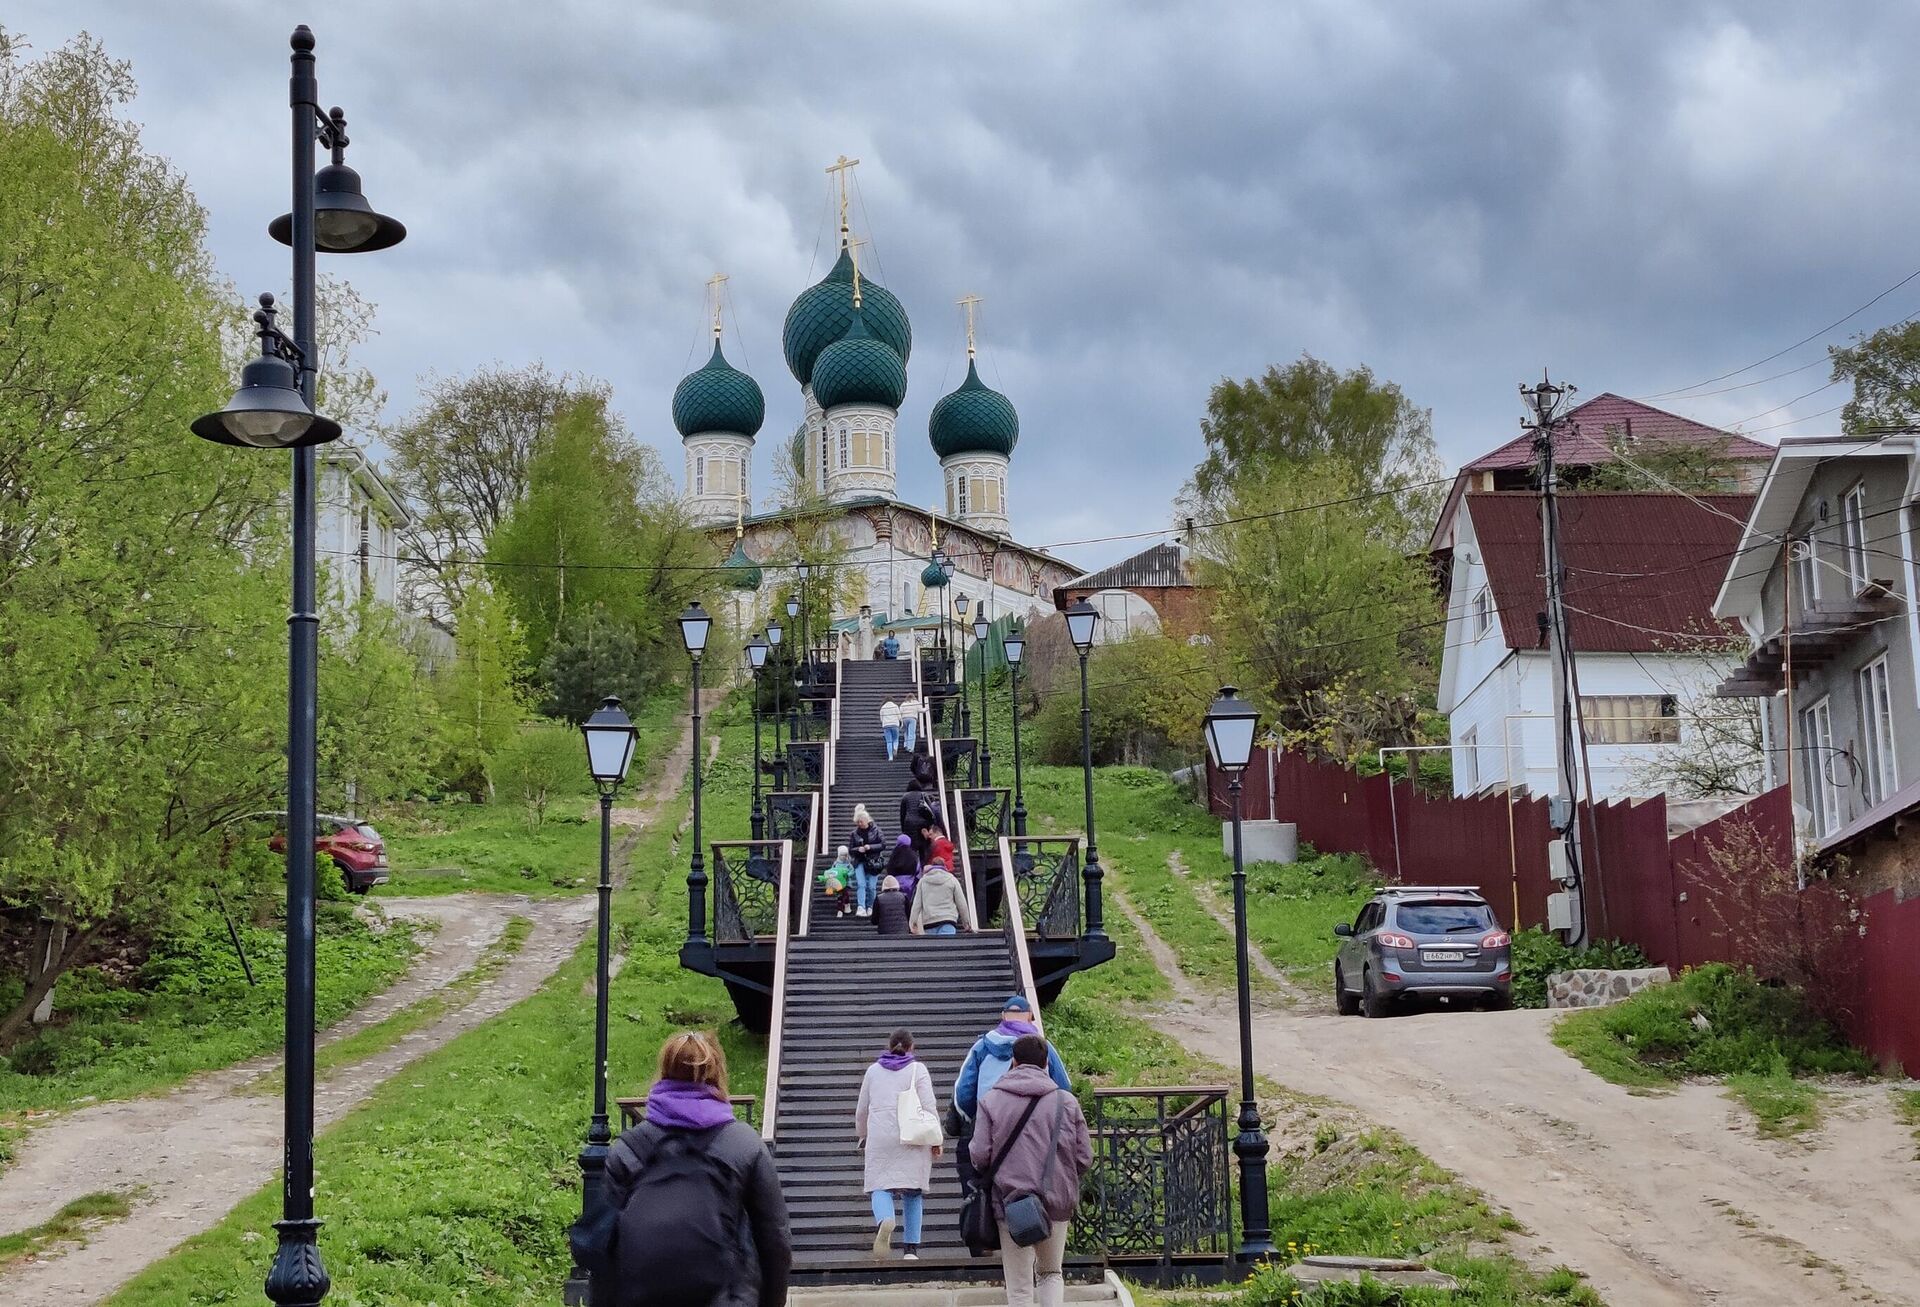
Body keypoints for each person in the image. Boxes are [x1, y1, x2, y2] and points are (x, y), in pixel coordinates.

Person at [601, 1031, 791, 1307]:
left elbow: (604, 1246)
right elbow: (775, 1238)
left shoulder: (628, 1149)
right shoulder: (744, 1144)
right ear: (716, 1075)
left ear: (663, 1073)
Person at [969, 1034, 1093, 1307]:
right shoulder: (1066, 1101)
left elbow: (979, 1155)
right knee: (1050, 1273)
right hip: (1057, 1201)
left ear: (1013, 1062)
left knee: (1019, 1286)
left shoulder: (991, 1101)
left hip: (1011, 1202)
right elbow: (1084, 1157)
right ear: (1046, 1062)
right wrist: (1063, 1176)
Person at [952, 996, 1070, 1198]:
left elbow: (963, 1091)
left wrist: (976, 1118)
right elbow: (1064, 1087)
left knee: (983, 1194)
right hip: (1036, 1131)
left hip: (989, 1128)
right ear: (1031, 1016)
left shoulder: (982, 1046)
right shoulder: (1042, 1048)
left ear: (1002, 1016)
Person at [855, 1029, 941, 1260]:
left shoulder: (873, 1071)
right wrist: (936, 1139)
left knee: (879, 1186)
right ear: (912, 1047)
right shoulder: (918, 1069)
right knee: (913, 1191)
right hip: (912, 1135)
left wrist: (863, 1135)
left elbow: (862, 1109)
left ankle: (885, 1219)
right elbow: (929, 1106)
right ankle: (911, 1250)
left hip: (880, 1136)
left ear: (889, 1046)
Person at [910, 855, 972, 936]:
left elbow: (916, 904)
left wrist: (913, 923)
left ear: (932, 866)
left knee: (933, 947)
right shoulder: (952, 879)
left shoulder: (923, 881)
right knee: (947, 947)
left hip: (930, 922)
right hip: (948, 920)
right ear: (944, 866)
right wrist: (966, 923)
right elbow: (961, 903)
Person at [847, 804, 887, 918]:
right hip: (859, 861)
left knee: (872, 886)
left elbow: (883, 844)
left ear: (867, 820)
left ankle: (871, 906)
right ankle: (861, 906)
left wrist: (871, 847)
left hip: (873, 862)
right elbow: (850, 849)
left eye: (861, 822)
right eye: (858, 822)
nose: (859, 824)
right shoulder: (854, 834)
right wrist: (857, 849)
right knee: (861, 884)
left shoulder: (877, 830)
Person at [885, 833, 920, 902]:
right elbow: (918, 869)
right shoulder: (913, 855)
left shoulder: (894, 854)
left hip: (896, 882)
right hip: (910, 882)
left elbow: (889, 868)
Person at [821, 845, 855, 917]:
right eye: (842, 855)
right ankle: (840, 909)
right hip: (838, 882)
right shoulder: (836, 863)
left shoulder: (848, 864)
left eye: (845, 855)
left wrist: (848, 874)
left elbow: (852, 871)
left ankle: (847, 904)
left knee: (845, 894)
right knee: (839, 896)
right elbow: (832, 870)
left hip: (846, 882)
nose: (844, 857)